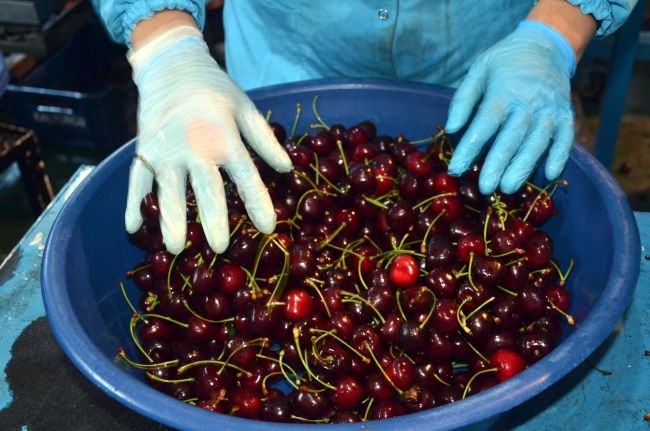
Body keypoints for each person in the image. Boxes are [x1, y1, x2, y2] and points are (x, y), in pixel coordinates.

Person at [91, 0, 637, 255]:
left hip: (501, 81)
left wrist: (558, 31)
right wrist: (165, 43)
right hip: (282, 85)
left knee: (517, 214)